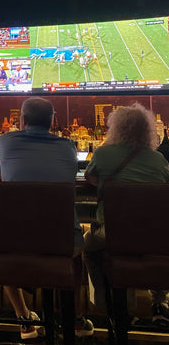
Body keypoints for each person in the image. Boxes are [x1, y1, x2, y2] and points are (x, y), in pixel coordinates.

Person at [0, 97, 93, 339]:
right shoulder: (69, 147)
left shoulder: (6, 141)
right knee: (76, 247)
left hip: (14, 243)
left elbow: (0, 171)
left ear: (22, 120)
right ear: (53, 122)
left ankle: (24, 318)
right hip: (61, 243)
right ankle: (75, 318)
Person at [84, 103, 169, 326]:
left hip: (112, 233)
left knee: (88, 246)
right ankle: (159, 303)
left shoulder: (103, 153)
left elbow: (89, 178)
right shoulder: (158, 159)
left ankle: (111, 305)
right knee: (153, 246)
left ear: (116, 128)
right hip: (154, 236)